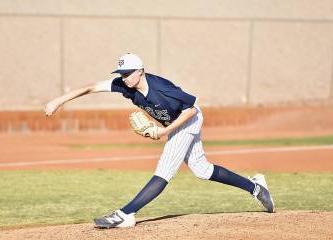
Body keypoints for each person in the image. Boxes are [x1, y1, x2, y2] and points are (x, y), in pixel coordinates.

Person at [44, 53, 275, 228]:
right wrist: (58, 101)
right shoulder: (127, 87)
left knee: (164, 170)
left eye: (128, 73)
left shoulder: (162, 88)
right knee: (202, 170)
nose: (124, 78)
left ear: (141, 71)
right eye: (121, 74)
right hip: (177, 123)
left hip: (188, 120)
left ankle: (126, 214)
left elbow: (191, 110)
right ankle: (256, 188)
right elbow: (91, 88)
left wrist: (165, 132)